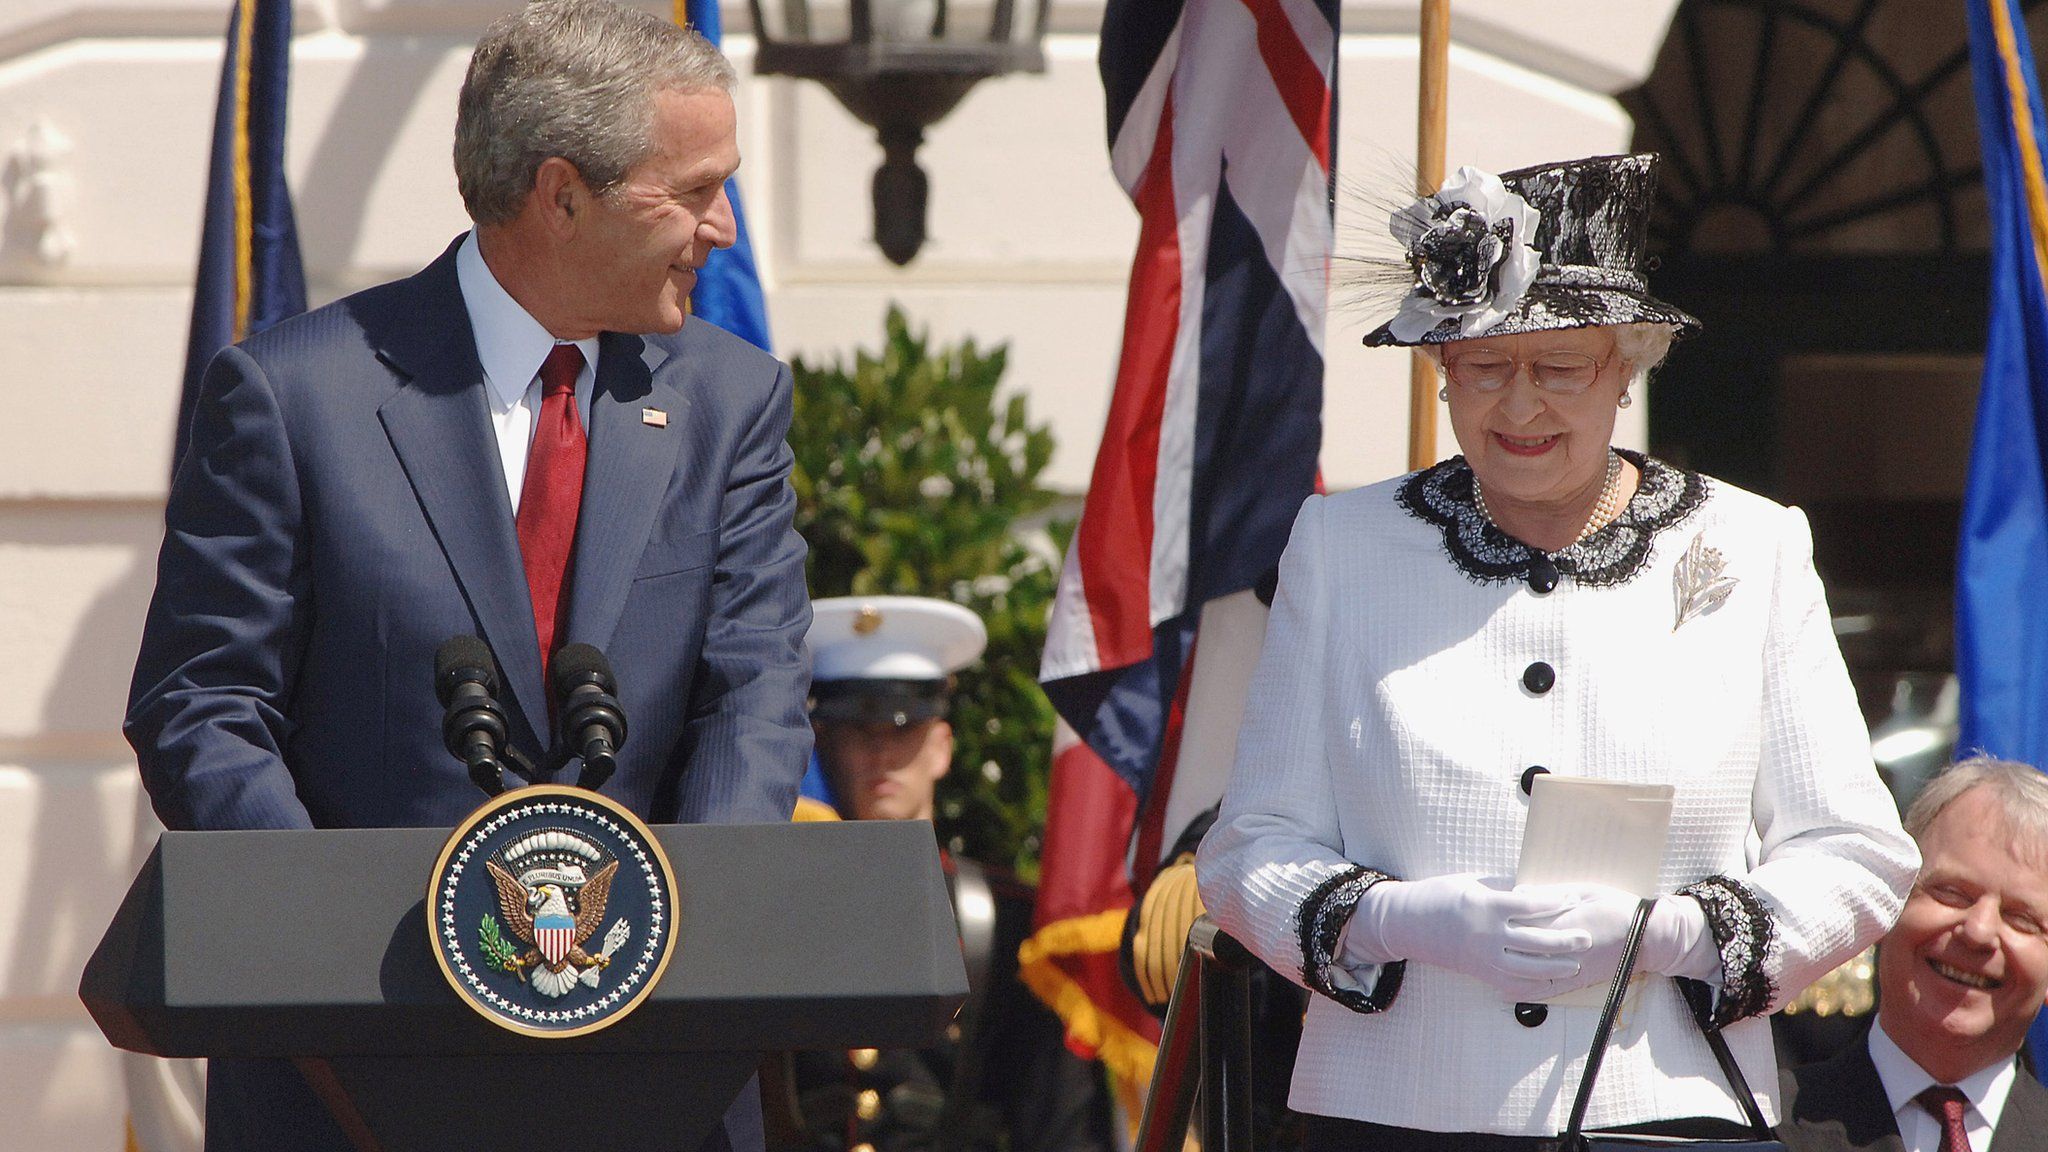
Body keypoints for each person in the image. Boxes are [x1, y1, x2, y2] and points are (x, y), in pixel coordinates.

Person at [122, 2, 811, 1149]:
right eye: (688, 191)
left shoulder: (729, 401)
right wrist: (328, 951)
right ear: (561, 193)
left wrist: (685, 953)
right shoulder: (296, 398)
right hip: (351, 1075)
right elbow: (203, 704)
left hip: (655, 1074)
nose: (722, 228)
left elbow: (753, 694)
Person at [1193, 152, 1920, 1150]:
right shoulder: (1341, 548)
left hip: (1663, 1108)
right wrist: (1404, 922)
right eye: (1482, 369)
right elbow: (1245, 852)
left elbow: (1858, 853)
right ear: (1441, 372)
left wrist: (1675, 935)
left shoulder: (1751, 549)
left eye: (1558, 367)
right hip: (1388, 1112)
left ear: (1625, 368)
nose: (1518, 407)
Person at [769, 596, 1114, 1152]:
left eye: (901, 729)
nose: (880, 753)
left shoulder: (1012, 921)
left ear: (942, 747)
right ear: (822, 742)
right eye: (857, 730)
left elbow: (1056, 1122)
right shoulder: (774, 906)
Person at [1780, 756, 2048, 1152]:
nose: (1978, 932)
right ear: (1887, 902)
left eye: (2022, 918)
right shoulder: (1758, 1125)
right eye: (1951, 893)